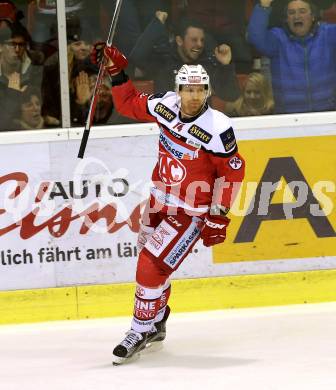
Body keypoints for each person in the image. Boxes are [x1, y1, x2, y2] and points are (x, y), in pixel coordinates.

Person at [91, 43, 245, 365]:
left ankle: (139, 330)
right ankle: (157, 319)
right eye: (187, 90)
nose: (193, 96)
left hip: (189, 212)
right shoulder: (166, 106)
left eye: (200, 90)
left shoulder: (218, 128)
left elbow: (232, 172)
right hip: (157, 202)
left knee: (150, 265)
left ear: (208, 91)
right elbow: (130, 104)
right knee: (153, 263)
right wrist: (118, 73)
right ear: (177, 90)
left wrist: (218, 216)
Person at [247, 0, 336, 114]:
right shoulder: (278, 38)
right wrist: (264, 5)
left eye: (302, 11)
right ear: (286, 19)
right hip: (288, 117)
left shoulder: (327, 34)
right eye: (291, 12)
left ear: (313, 16)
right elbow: (255, 36)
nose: (296, 16)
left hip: (328, 114)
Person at [130, 15, 241, 102]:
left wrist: (226, 65)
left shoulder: (207, 63)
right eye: (194, 40)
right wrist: (157, 24)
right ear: (179, 41)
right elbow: (137, 57)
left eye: (202, 40)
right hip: (170, 126)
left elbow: (231, 95)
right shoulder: (164, 62)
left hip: (199, 128)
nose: (199, 44)